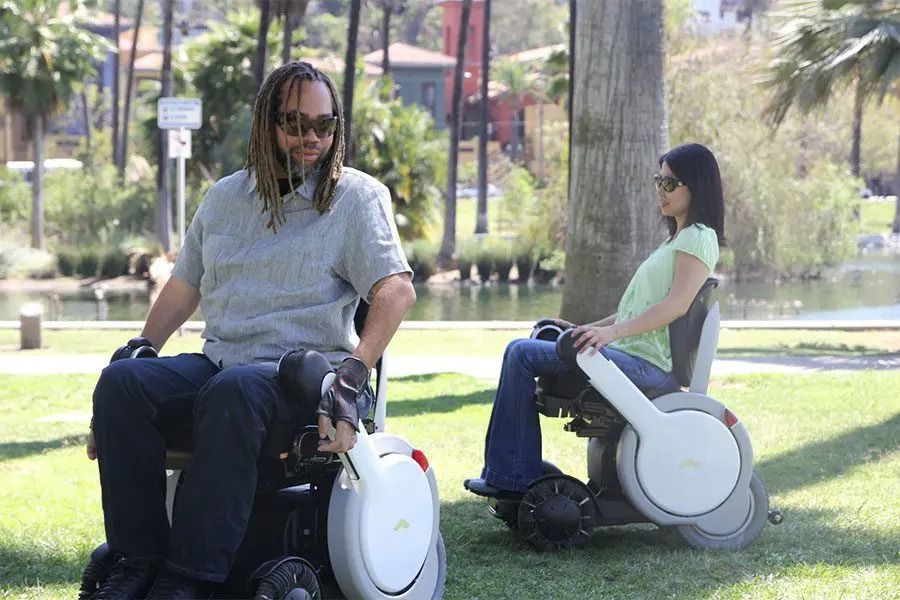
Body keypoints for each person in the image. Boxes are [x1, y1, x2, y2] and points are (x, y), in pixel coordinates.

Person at [85, 61, 415, 599]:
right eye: (295, 122)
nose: (311, 137)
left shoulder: (356, 198)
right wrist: (139, 349)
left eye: (324, 125)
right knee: (122, 385)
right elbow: (183, 288)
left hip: (307, 380)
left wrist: (354, 376)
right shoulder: (224, 199)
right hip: (222, 365)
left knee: (232, 391)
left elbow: (395, 290)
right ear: (265, 123)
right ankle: (136, 561)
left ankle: (189, 579)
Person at [464, 143, 725, 497]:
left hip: (648, 366)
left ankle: (511, 475)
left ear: (696, 186)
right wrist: (589, 329)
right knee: (545, 335)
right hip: (634, 357)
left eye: (670, 184)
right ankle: (514, 467)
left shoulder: (697, 238)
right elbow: (636, 309)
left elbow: (675, 306)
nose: (660, 191)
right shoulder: (676, 240)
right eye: (658, 181)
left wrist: (611, 334)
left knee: (521, 353)